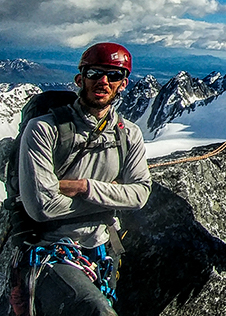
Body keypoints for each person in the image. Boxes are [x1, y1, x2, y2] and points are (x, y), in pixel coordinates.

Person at [12, 43, 151, 316]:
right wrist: (112, 199)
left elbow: (141, 194)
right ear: (80, 78)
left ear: (123, 84)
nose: (103, 81)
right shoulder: (44, 129)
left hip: (102, 248)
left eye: (113, 75)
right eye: (95, 73)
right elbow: (41, 208)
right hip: (50, 248)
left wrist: (83, 187)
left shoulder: (128, 134)